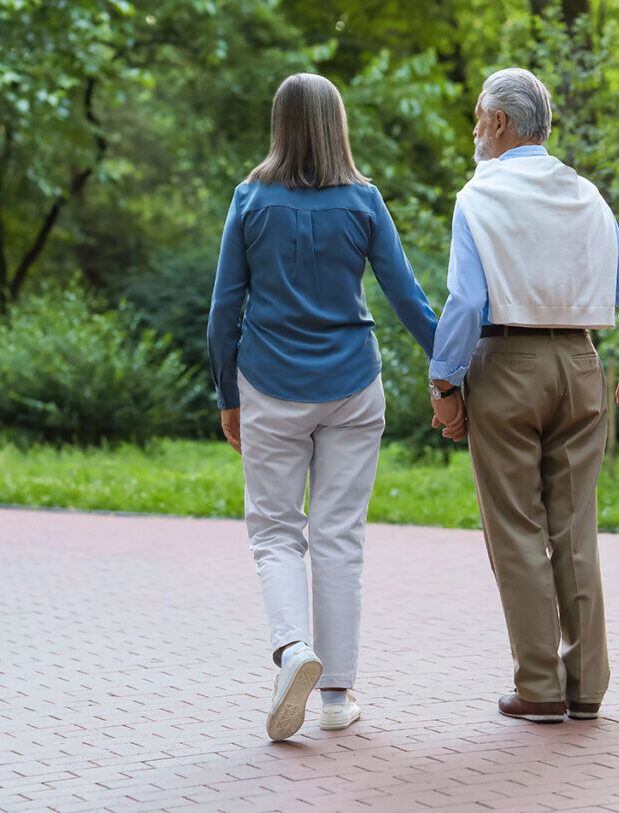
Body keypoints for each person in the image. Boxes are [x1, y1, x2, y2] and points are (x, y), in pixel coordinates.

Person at [207, 73, 437, 741]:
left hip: (269, 385)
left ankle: (292, 652)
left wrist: (228, 396)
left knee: (276, 532)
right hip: (352, 386)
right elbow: (407, 299)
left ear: (278, 124)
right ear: (336, 123)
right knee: (339, 537)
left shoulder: (250, 199)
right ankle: (335, 693)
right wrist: (452, 371)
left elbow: (224, 309)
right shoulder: (363, 201)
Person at [428, 68, 619, 723]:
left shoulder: (478, 195)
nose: (475, 128)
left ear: (498, 122)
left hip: (504, 361)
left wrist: (444, 383)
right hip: (581, 362)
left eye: (478, 116)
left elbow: (465, 301)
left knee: (517, 529)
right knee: (573, 528)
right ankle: (585, 685)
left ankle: (539, 687)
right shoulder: (585, 195)